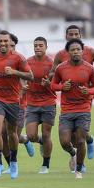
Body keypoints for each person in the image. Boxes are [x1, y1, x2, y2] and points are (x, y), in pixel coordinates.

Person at [0, 30, 33, 179]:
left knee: (11, 133)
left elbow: (30, 76)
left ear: (10, 43)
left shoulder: (18, 58)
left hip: (13, 101)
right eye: (0, 41)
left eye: (5, 41)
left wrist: (15, 72)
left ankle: (14, 162)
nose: (3, 44)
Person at [52, 25, 94, 161]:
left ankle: (78, 161)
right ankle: (86, 142)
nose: (74, 36)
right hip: (68, 101)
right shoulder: (60, 55)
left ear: (80, 36)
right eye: (71, 34)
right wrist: (61, 85)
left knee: (78, 134)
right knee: (71, 136)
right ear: (66, 36)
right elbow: (53, 73)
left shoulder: (91, 52)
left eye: (76, 34)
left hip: (85, 99)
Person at [24, 37, 57, 174]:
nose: (38, 47)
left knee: (46, 134)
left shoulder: (52, 63)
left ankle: (45, 164)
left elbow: (57, 85)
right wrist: (23, 85)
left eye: (40, 45)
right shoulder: (27, 62)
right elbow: (22, 77)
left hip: (48, 103)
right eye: (35, 45)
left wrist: (49, 85)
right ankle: (41, 142)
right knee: (31, 135)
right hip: (31, 104)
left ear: (46, 47)